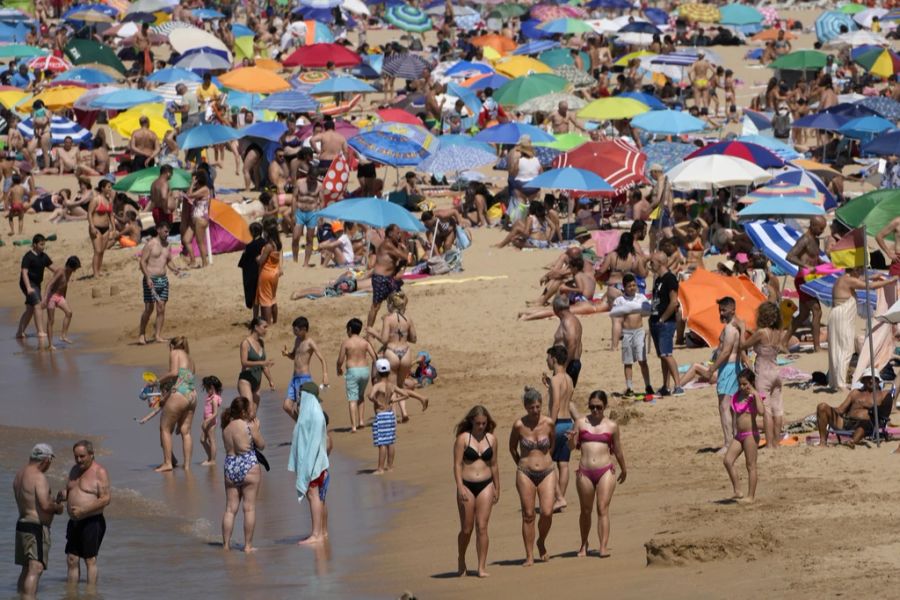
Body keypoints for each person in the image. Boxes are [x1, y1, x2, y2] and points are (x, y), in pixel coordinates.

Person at [568, 391, 626, 557]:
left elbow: (618, 449)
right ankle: (583, 544)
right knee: (585, 510)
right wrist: (571, 440)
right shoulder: (580, 422)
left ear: (605, 407)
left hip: (605, 470)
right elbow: (571, 448)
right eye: (592, 407)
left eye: (598, 407)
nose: (595, 411)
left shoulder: (612, 426)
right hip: (584, 471)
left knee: (602, 508)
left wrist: (624, 468)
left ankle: (603, 546)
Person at [509, 386, 556, 566]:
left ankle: (541, 541)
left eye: (537, 406)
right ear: (525, 407)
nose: (535, 411)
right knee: (528, 515)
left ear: (541, 405)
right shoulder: (519, 425)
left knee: (547, 512)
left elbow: (552, 444)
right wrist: (521, 463)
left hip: (547, 471)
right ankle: (529, 555)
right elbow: (512, 447)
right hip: (525, 473)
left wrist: (546, 458)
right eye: (531, 407)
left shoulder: (549, 423)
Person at [827, 270, 896, 391]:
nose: (860, 273)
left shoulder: (843, 278)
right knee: (845, 348)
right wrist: (888, 281)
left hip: (838, 315)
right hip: (842, 316)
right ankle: (840, 383)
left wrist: (874, 276)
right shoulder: (849, 280)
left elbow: (862, 280)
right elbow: (869, 286)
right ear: (853, 270)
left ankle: (835, 382)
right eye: (858, 270)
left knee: (837, 347)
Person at [453, 405, 500, 578]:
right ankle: (461, 558)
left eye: (484, 423)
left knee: (482, 526)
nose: (481, 426)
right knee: (467, 528)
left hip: (486, 485)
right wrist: (459, 487)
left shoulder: (491, 439)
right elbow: (457, 465)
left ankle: (481, 566)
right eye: (478, 423)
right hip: (466, 485)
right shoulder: (463, 439)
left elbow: (494, 464)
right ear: (472, 421)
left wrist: (497, 486)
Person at [284, 380, 331, 545]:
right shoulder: (310, 413)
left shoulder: (315, 416)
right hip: (314, 464)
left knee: (314, 497)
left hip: (313, 466)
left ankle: (316, 534)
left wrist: (307, 469)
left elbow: (313, 444)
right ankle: (321, 532)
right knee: (316, 498)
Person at [14, 444, 64, 598]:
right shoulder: (39, 477)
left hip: (22, 525)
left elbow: (31, 502)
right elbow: (44, 505)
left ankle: (21, 596)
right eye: (50, 460)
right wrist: (58, 507)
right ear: (46, 460)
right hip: (35, 528)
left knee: (26, 568)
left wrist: (54, 501)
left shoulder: (19, 474)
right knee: (36, 567)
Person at [367, 358, 429, 474]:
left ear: (377, 372)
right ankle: (390, 466)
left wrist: (377, 401)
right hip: (390, 415)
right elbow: (405, 395)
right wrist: (394, 400)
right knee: (390, 442)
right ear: (389, 371)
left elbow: (370, 396)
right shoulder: (391, 386)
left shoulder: (377, 385)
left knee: (382, 444)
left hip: (381, 415)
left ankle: (380, 468)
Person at [221, 396, 266, 552]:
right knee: (249, 508)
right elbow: (261, 445)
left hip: (230, 466)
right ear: (244, 411)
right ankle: (248, 546)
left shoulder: (225, 427)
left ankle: (226, 545)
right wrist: (256, 430)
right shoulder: (248, 426)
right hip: (248, 465)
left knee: (230, 509)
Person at [737, 302, 785, 449]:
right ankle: (777, 442)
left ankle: (770, 444)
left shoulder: (762, 333)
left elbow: (743, 346)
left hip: (763, 373)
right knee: (778, 409)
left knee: (766, 411)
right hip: (776, 372)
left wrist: (742, 328)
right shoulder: (778, 332)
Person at [64, 440, 110, 587]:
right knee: (72, 558)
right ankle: (71, 594)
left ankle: (91, 594)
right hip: (74, 521)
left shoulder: (99, 472)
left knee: (90, 560)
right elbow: (71, 490)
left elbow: (106, 498)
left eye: (82, 456)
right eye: (76, 456)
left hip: (92, 521)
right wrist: (63, 495)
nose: (78, 460)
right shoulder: (74, 470)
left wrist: (84, 510)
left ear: (91, 454)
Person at [368, 291, 418, 422]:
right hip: (405, 352)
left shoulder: (388, 319)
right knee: (400, 385)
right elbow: (414, 338)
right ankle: (404, 412)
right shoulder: (408, 319)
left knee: (391, 386)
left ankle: (394, 416)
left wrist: (374, 332)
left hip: (392, 352)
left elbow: (384, 340)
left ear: (390, 304)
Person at [153, 337, 197, 472]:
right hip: (192, 395)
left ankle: (167, 463)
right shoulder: (190, 359)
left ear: (172, 346)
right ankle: (188, 466)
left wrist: (156, 382)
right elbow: (187, 376)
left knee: (165, 429)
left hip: (180, 394)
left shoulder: (174, 353)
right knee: (186, 432)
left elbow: (174, 373)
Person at [784, 215, 826, 352]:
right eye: (820, 228)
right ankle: (817, 347)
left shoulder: (815, 239)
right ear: (812, 225)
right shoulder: (805, 239)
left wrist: (824, 264)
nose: (822, 231)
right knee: (817, 311)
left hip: (811, 279)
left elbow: (814, 258)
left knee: (803, 315)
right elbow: (790, 256)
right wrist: (805, 266)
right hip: (802, 280)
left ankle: (783, 342)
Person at [817, 369, 886, 448]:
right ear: (863, 380)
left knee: (865, 422)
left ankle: (852, 441)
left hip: (864, 425)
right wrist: (827, 411)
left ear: (878, 382)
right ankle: (823, 442)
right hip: (845, 422)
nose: (871, 380)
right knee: (822, 406)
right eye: (868, 378)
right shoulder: (855, 393)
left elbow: (882, 415)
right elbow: (841, 409)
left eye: (874, 379)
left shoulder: (880, 396)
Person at [722, 370, 763, 502]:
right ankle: (737, 490)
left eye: (745, 384)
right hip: (739, 434)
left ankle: (751, 496)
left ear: (751, 383)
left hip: (751, 434)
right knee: (728, 461)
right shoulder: (737, 395)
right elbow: (735, 414)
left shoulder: (754, 396)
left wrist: (755, 394)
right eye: (740, 384)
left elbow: (762, 412)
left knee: (750, 465)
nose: (742, 387)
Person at [609, 273, 653, 397]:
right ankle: (629, 387)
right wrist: (615, 342)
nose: (632, 288)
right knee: (628, 362)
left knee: (642, 360)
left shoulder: (641, 297)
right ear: (624, 287)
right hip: (627, 333)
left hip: (639, 331)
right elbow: (616, 318)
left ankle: (648, 385)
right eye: (629, 286)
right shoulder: (620, 300)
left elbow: (647, 311)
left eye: (634, 285)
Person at [544, 345, 575, 513]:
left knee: (547, 462)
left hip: (557, 423)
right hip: (568, 422)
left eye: (548, 358)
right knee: (563, 464)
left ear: (554, 359)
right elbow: (565, 400)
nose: (547, 361)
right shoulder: (568, 379)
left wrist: (549, 424)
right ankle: (560, 499)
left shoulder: (556, 380)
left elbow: (555, 404)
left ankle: (558, 498)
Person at [138, 221, 181, 345]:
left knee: (161, 308)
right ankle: (141, 334)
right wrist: (147, 277)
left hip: (163, 279)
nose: (167, 234)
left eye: (168, 232)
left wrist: (175, 269)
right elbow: (142, 262)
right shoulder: (151, 244)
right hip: (151, 279)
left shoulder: (168, 245)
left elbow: (168, 261)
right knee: (149, 309)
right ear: (158, 230)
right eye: (165, 231)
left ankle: (157, 335)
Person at [709, 296, 742, 451]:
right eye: (720, 310)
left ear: (733, 309)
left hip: (728, 369)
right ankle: (735, 439)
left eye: (724, 310)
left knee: (724, 406)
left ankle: (729, 443)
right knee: (733, 406)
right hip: (734, 368)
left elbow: (726, 352)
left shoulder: (730, 329)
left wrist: (712, 368)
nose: (721, 313)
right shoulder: (736, 325)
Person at [648, 251, 684, 396]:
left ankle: (678, 385)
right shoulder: (658, 280)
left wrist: (663, 319)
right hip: (656, 321)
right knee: (662, 356)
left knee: (667, 354)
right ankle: (665, 386)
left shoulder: (670, 279)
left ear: (660, 262)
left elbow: (674, 301)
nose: (650, 265)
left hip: (665, 322)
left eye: (652, 262)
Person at [336, 317, 377, 433]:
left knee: (352, 398)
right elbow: (374, 357)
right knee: (361, 396)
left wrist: (338, 368)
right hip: (364, 371)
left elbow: (340, 359)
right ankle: (361, 421)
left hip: (353, 371)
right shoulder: (365, 342)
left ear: (349, 329)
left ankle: (354, 426)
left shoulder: (346, 343)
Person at [16, 234, 55, 346]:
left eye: (44, 244)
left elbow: (54, 268)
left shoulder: (44, 256)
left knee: (30, 309)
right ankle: (40, 332)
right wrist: (28, 288)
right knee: (37, 305)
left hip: (36, 284)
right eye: (41, 244)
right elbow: (24, 273)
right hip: (27, 283)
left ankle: (20, 332)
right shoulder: (28, 257)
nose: (43, 247)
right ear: (34, 245)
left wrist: (62, 274)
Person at [367, 224, 408, 328]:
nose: (399, 235)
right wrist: (403, 245)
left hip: (390, 279)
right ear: (390, 233)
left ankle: (394, 324)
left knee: (402, 300)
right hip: (380, 278)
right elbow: (405, 256)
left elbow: (406, 260)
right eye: (397, 233)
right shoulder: (387, 244)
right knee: (376, 306)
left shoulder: (394, 245)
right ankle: (369, 331)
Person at [237, 317, 276, 419]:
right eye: (264, 327)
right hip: (246, 380)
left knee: (253, 415)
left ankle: (250, 434)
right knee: (248, 412)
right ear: (256, 327)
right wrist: (262, 362)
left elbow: (264, 365)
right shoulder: (245, 343)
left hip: (257, 382)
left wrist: (270, 380)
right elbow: (244, 362)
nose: (266, 330)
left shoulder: (261, 343)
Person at [42, 255, 80, 350]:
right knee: (51, 321)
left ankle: (63, 335)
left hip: (59, 296)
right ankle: (50, 345)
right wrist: (44, 298)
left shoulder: (69, 272)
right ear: (68, 266)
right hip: (51, 297)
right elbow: (49, 284)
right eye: (73, 269)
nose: (74, 271)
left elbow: (65, 284)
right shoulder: (60, 271)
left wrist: (64, 297)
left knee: (69, 313)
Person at [283, 316, 329, 390]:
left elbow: (322, 359)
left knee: (302, 401)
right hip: (294, 377)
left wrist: (325, 375)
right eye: (294, 330)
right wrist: (287, 354)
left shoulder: (310, 343)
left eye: (296, 330)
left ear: (304, 329)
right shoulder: (297, 340)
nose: (294, 333)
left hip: (304, 378)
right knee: (287, 402)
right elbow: (293, 356)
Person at [292, 166, 323, 267]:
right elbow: (294, 198)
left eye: (314, 178)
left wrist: (320, 217)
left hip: (312, 213)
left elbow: (322, 202)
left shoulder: (319, 186)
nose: (312, 181)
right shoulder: (299, 182)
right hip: (300, 212)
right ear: (308, 175)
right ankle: (295, 260)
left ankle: (306, 263)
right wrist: (293, 213)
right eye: (311, 178)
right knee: (295, 237)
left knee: (309, 239)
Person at [182, 170, 212, 268]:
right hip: (195, 220)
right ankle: (193, 260)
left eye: (194, 179)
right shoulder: (198, 189)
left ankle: (205, 263)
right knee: (186, 240)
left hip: (201, 219)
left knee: (200, 242)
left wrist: (192, 184)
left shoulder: (205, 189)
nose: (192, 180)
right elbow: (187, 194)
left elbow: (189, 195)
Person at [256, 217, 283, 325]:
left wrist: (256, 258)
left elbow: (261, 261)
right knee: (273, 298)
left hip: (266, 273)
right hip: (274, 272)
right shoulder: (278, 244)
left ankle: (267, 322)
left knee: (265, 300)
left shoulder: (268, 246)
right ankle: (275, 320)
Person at [552, 294, 583, 387]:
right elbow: (579, 345)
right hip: (571, 364)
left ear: (556, 308)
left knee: (562, 398)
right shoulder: (570, 320)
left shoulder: (568, 322)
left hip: (568, 365)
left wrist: (564, 367)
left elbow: (572, 344)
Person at [87, 179, 114, 279]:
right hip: (96, 228)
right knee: (97, 251)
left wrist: (113, 228)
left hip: (106, 228)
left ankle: (99, 270)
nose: (110, 189)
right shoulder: (96, 199)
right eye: (108, 186)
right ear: (102, 188)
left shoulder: (109, 200)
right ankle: (95, 273)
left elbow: (111, 215)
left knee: (102, 251)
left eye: (110, 187)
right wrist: (92, 226)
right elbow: (89, 213)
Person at [238, 222, 265, 319]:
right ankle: (265, 316)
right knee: (263, 296)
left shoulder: (250, 246)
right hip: (263, 272)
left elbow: (244, 262)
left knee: (254, 297)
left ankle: (255, 317)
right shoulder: (265, 243)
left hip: (253, 274)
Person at [200, 375, 223, 466]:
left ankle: (212, 460)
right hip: (207, 421)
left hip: (211, 421)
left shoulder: (214, 398)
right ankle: (210, 457)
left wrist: (207, 421)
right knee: (202, 440)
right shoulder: (210, 396)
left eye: (207, 389)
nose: (206, 391)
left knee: (212, 440)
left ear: (212, 388)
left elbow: (215, 413)